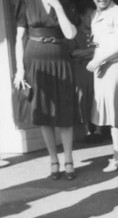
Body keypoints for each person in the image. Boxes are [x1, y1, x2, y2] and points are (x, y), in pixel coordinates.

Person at [13, 0, 78, 180]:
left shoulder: (64, 3)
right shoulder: (25, 2)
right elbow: (20, 37)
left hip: (60, 59)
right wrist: (20, 69)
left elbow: (70, 34)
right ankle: (53, 160)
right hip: (34, 60)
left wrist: (58, 7)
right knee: (43, 111)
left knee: (65, 111)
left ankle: (69, 160)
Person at [87, 0, 118, 171]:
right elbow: (98, 42)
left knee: (115, 112)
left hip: (115, 65)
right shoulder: (96, 14)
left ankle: (117, 156)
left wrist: (100, 59)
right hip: (101, 67)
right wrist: (92, 54)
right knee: (112, 110)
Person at [71, 1, 99, 143]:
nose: (91, 20)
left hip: (96, 71)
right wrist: (93, 52)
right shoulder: (74, 32)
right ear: (81, 16)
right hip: (81, 71)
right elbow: (73, 53)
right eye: (89, 16)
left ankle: (99, 129)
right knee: (83, 98)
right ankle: (87, 130)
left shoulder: (98, 31)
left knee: (97, 97)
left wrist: (87, 53)